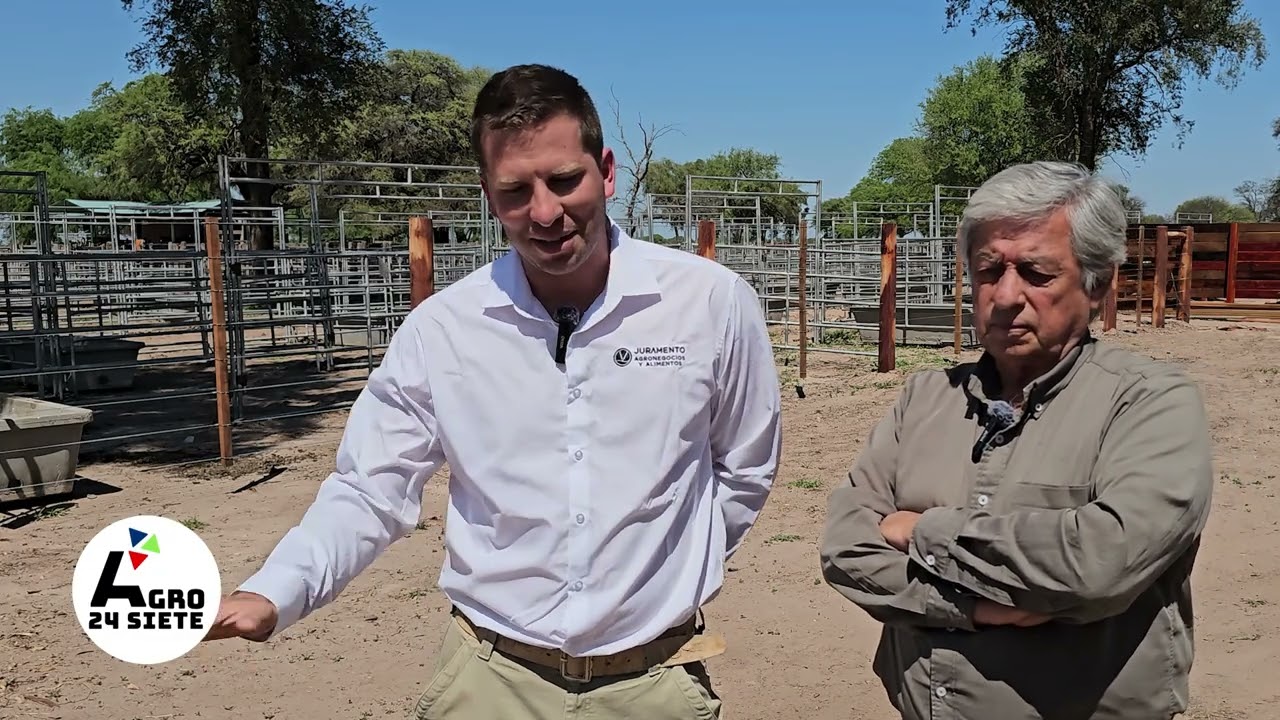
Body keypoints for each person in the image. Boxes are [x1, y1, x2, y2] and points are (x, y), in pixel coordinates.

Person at [203, 63, 782, 719]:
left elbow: (745, 464)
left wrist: (671, 567)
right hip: (491, 681)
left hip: (652, 682)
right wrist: (276, 591)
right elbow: (370, 488)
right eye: (515, 191)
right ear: (487, 195)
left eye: (565, 180)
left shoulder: (709, 304)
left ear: (608, 171)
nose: (544, 212)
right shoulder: (442, 331)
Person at [819, 161, 1214, 720]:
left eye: (1036, 272)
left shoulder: (1148, 402)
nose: (1006, 296)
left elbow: (1099, 564)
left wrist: (922, 530)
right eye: (988, 270)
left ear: (1097, 283)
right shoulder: (929, 397)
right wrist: (974, 609)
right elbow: (845, 549)